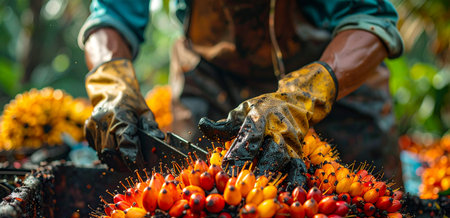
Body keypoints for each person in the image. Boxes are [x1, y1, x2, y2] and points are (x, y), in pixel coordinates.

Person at [78, 0, 404, 185]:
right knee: (200, 199)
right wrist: (111, 84)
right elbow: (112, 16)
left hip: (333, 72)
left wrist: (304, 95)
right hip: (213, 79)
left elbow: (368, 19)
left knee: (360, 207)